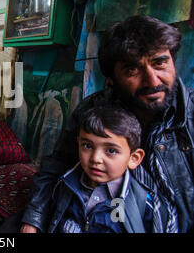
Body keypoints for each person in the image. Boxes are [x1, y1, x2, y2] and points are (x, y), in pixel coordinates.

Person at [20, 15, 194, 233]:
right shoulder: (93, 110)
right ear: (111, 80)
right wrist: (32, 220)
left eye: (160, 63)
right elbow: (56, 166)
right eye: (133, 70)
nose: (153, 80)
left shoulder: (190, 114)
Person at [46, 105, 175, 233]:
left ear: (134, 158)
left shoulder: (142, 204)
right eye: (87, 146)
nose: (96, 158)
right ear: (78, 143)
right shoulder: (65, 186)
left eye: (111, 150)